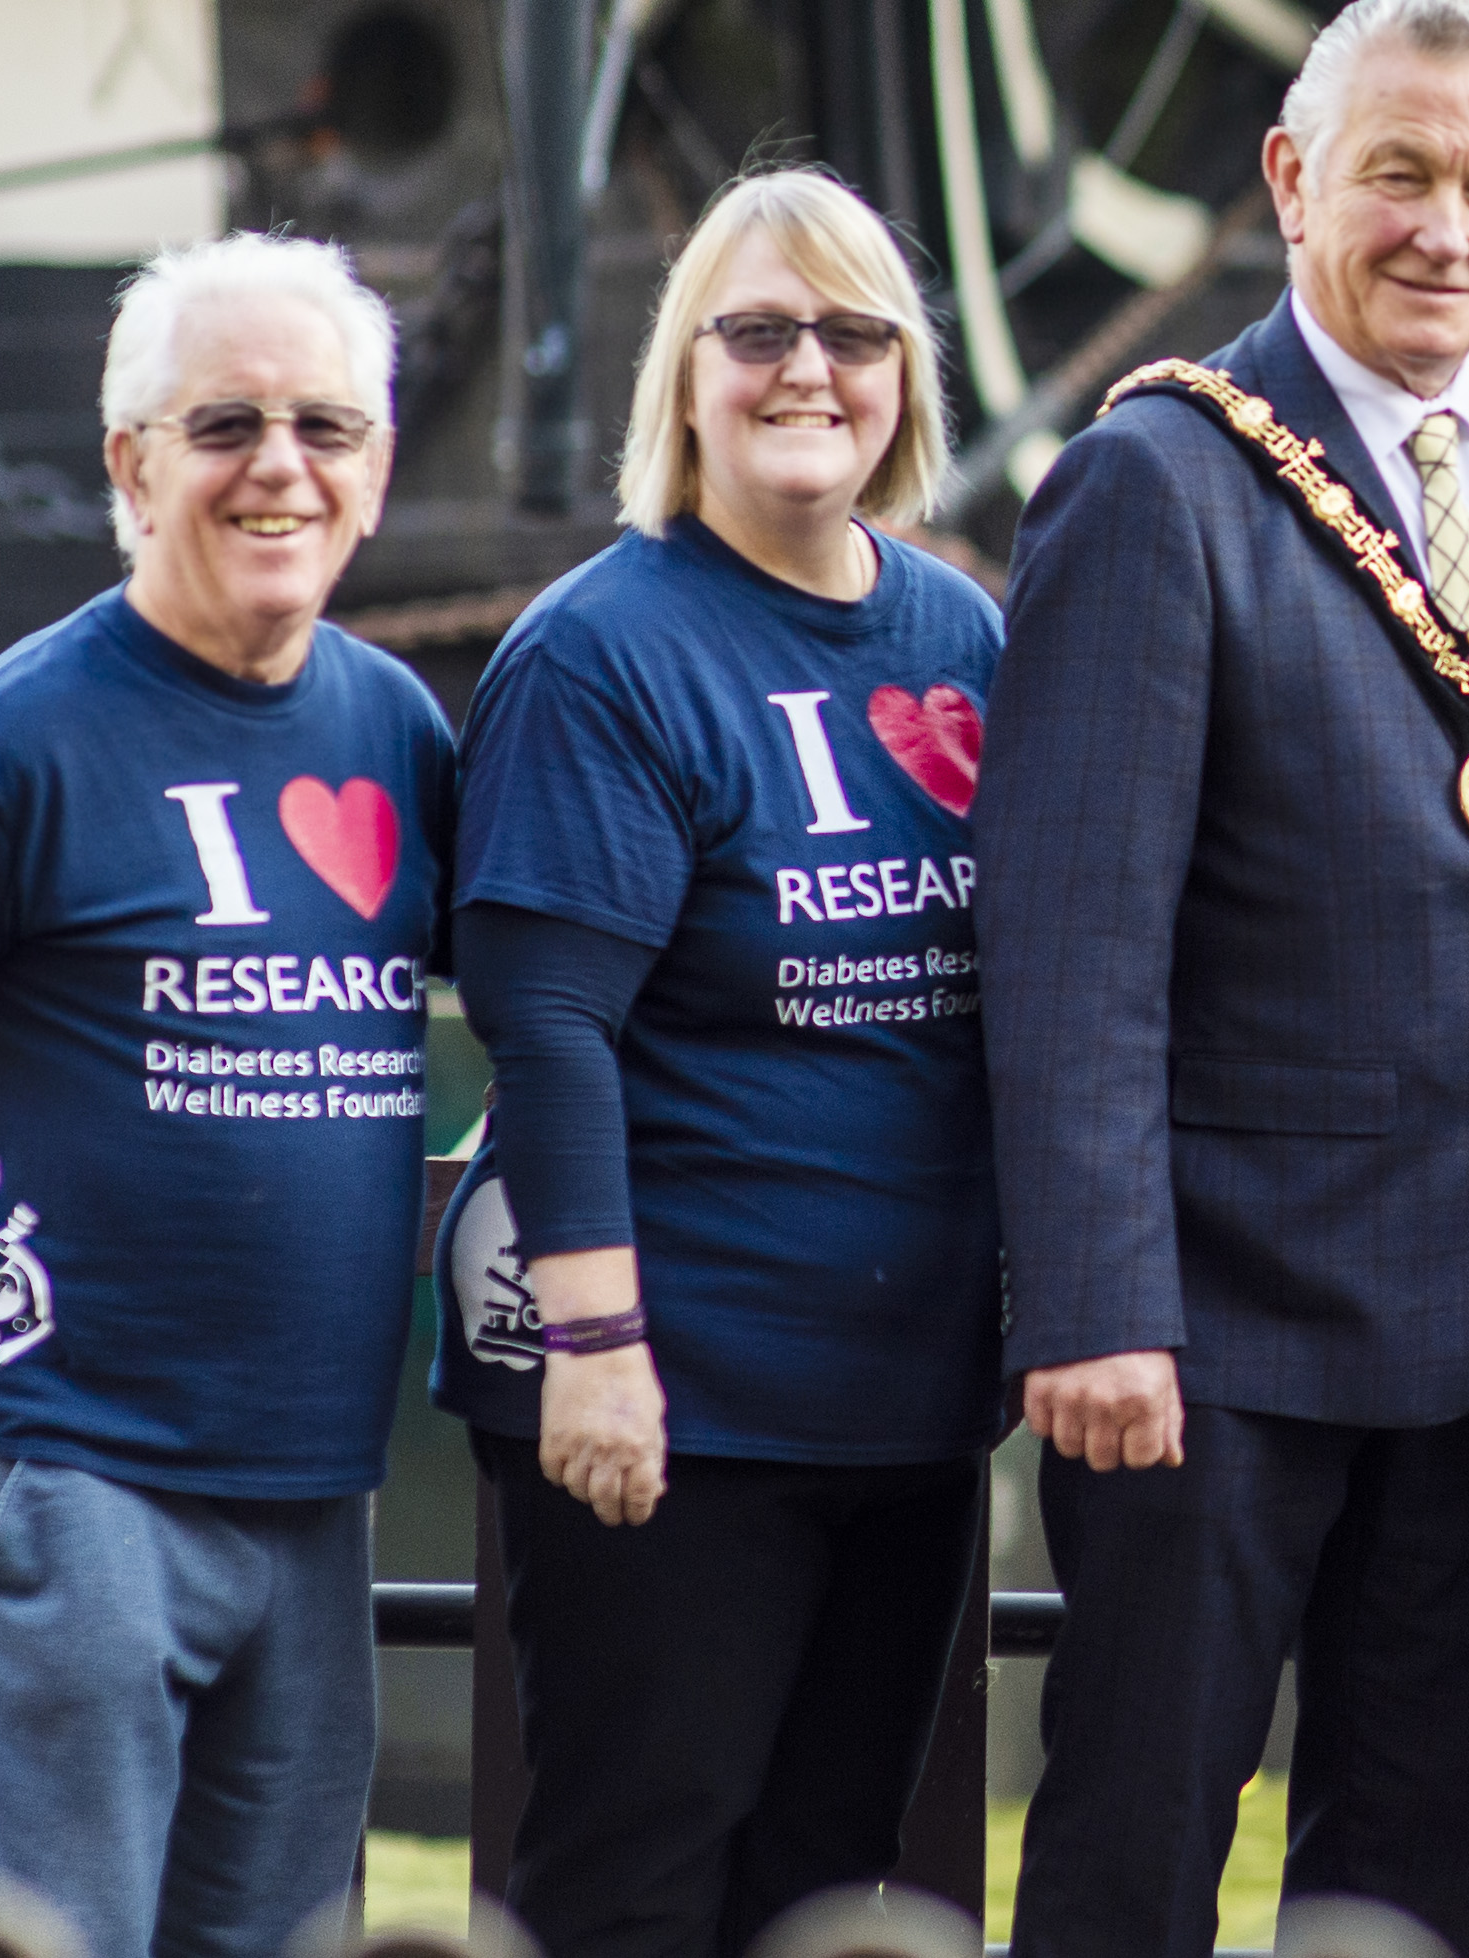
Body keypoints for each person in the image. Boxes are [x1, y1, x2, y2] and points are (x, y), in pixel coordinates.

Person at [978, 0, 1469, 1958]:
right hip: (1215, 1336)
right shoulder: (1154, 480)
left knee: (1411, 1874)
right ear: (1290, 178)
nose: (1445, 230)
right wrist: (1097, 1301)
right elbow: (1073, 933)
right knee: (1132, 1859)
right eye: (1397, 176)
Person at [0, 236, 450, 1958]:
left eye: (325, 424)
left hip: (313, 1474)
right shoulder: (10, 736)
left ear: (377, 466)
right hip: (71, 1462)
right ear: (131, 466)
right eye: (225, 424)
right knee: (55, 1939)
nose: (282, 465)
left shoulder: (394, 729)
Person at [424, 169, 1004, 1958]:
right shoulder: (601, 655)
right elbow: (549, 1024)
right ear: (685, 375)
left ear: (905, 376)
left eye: (853, 333)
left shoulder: (963, 636)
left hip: (903, 1395)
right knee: (638, 1876)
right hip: (676, 1396)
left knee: (828, 1881)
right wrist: (598, 1349)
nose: (807, 368)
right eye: (758, 331)